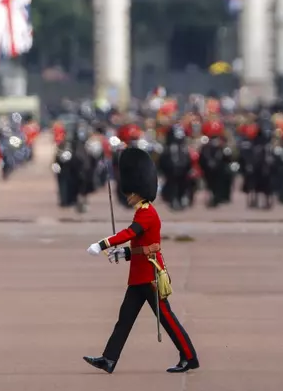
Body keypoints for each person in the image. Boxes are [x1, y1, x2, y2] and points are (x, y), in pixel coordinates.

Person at [83, 148, 199, 375]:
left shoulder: (147, 213)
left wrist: (103, 244)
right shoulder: (141, 210)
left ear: (139, 191)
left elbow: (130, 233)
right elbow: (140, 245)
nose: (128, 196)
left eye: (131, 192)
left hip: (150, 276)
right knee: (124, 319)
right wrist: (123, 254)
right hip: (139, 276)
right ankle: (109, 359)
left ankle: (189, 356)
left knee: (166, 318)